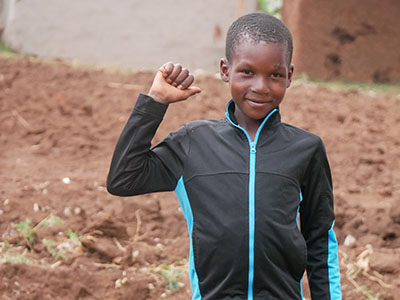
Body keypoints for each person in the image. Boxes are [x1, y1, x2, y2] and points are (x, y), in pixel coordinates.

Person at [107, 12, 342, 300]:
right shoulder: (193, 142)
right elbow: (123, 178)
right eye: (247, 72)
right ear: (225, 70)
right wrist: (156, 102)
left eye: (275, 75)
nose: (260, 86)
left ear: (289, 76)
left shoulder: (306, 149)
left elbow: (319, 239)